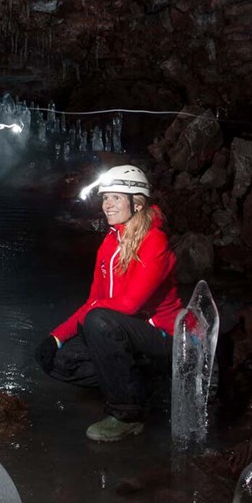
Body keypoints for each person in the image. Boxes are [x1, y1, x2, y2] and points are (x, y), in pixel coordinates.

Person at [34, 164, 189, 442]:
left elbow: (128, 306)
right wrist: (55, 338)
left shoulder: (155, 241)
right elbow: (94, 301)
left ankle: (128, 415)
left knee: (98, 322)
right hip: (126, 335)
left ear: (137, 203)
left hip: (166, 337)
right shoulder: (109, 244)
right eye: (105, 198)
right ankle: (140, 386)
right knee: (57, 360)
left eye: (116, 197)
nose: (107, 205)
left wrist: (91, 319)